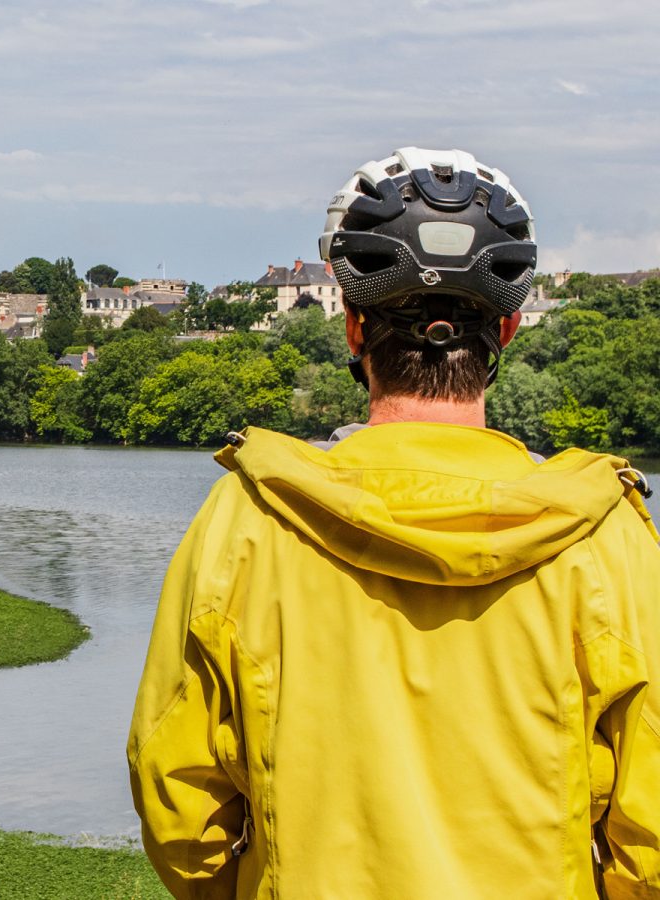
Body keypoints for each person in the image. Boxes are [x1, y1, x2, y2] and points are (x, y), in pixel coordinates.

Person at [127, 147, 660, 899]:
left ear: (351, 328)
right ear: (506, 333)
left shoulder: (249, 520)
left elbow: (179, 810)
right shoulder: (606, 536)